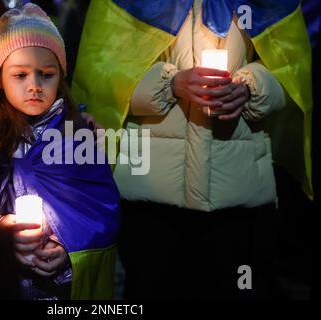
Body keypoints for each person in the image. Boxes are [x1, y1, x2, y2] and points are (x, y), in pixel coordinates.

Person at [72, 0, 312, 299]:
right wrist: (170, 84)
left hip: (234, 188)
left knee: (235, 288)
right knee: (150, 290)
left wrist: (250, 87)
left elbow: (291, 71)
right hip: (150, 190)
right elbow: (103, 76)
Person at [0, 3, 120, 300]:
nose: (34, 86)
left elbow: (101, 207)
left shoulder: (77, 135)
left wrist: (69, 248)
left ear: (60, 78)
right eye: (20, 75)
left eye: (46, 74)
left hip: (61, 290)